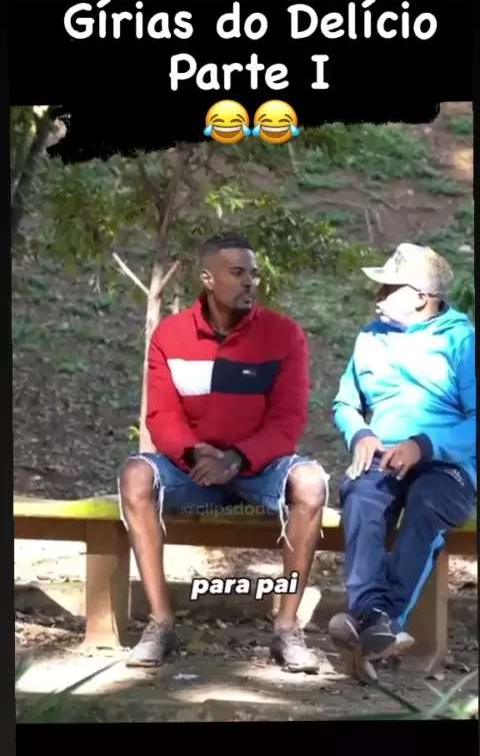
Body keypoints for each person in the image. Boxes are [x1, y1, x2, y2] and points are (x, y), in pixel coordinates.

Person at [119, 232, 329, 671]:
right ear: (208, 278)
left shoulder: (283, 334)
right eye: (237, 273)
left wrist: (237, 458)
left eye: (254, 273)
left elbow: (288, 419)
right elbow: (161, 414)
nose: (250, 281)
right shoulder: (171, 334)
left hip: (258, 469)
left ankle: (287, 628)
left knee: (311, 483)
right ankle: (160, 623)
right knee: (135, 475)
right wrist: (195, 455)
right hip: (194, 470)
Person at [328, 243, 476, 667]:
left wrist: (424, 445)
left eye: (389, 288)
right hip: (384, 456)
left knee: (426, 504)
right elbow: (345, 403)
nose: (378, 296)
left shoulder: (463, 341)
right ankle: (371, 618)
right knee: (360, 495)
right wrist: (360, 433)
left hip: (447, 466)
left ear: (421, 297)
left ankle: (384, 620)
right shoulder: (370, 338)